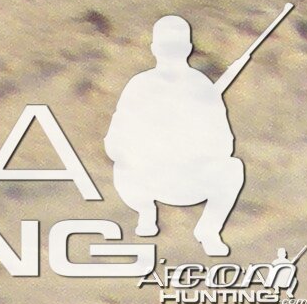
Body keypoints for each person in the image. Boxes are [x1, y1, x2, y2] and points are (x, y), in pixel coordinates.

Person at [107, 15, 249, 256]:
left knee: (232, 168)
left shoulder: (197, 87)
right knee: (123, 163)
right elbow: (115, 142)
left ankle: (207, 230)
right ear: (188, 49)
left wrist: (190, 137)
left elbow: (223, 145)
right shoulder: (143, 85)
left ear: (154, 49)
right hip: (149, 178)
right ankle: (146, 213)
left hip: (184, 180)